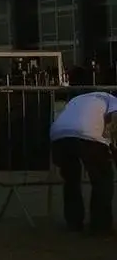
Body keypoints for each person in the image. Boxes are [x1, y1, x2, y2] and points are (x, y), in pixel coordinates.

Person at [50, 69, 117, 235]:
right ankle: (100, 226)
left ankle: (74, 222)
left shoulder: (76, 99)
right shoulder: (112, 100)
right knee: (102, 178)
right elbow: (113, 127)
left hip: (59, 135)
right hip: (87, 135)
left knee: (71, 179)